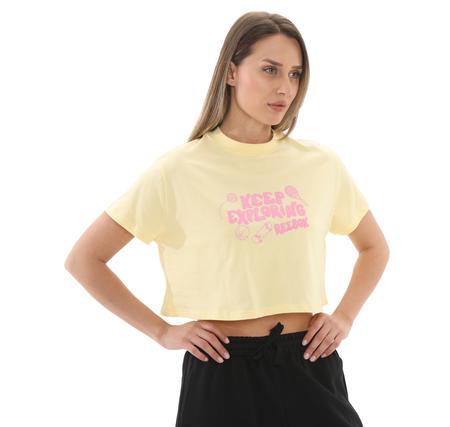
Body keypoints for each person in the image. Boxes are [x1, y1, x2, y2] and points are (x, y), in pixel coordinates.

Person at [65, 11, 389, 427]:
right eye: (270, 70)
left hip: (308, 362)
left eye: (294, 74)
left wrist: (344, 316)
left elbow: (374, 247)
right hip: (221, 370)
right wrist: (163, 332)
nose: (285, 87)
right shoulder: (179, 170)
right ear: (232, 72)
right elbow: (85, 259)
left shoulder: (320, 164)